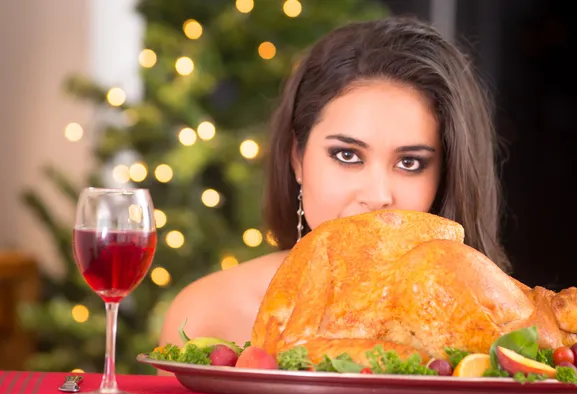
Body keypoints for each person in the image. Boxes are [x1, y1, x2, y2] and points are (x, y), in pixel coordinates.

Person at [157, 15, 510, 364]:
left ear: (446, 177)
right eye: (347, 155)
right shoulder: (206, 313)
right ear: (297, 157)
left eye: (410, 163)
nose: (377, 195)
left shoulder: (495, 331)